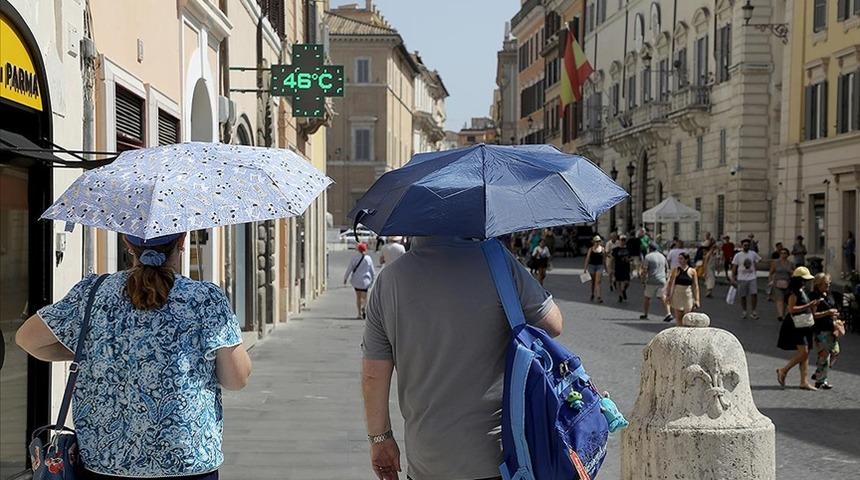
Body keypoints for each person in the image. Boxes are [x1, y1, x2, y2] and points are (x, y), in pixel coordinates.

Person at [15, 233, 251, 479]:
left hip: (105, 462)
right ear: (181, 242)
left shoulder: (93, 293)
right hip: (187, 461)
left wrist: (91, 352)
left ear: (127, 245)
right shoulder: (205, 299)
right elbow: (237, 378)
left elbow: (27, 339)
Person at [361, 236, 563, 480]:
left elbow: (373, 375)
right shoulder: (497, 262)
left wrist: (380, 439)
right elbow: (553, 324)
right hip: (496, 455)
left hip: (427, 458)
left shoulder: (389, 280)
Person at [776, 267, 819, 391]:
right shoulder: (793, 293)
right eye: (804, 280)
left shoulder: (802, 290)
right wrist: (809, 305)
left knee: (806, 353)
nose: (806, 282)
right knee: (803, 352)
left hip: (805, 323)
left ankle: (803, 381)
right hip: (795, 324)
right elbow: (791, 309)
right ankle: (783, 370)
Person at [808, 273, 842, 390]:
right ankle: (821, 380)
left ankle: (819, 373)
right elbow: (814, 315)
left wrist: (835, 314)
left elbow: (833, 307)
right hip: (821, 330)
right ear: (818, 285)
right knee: (824, 356)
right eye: (826, 284)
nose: (828, 286)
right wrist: (827, 313)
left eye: (829, 284)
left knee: (835, 351)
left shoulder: (828, 294)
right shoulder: (814, 296)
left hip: (831, 327)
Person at [640, 243, 674, 322]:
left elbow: (645, 270)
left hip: (651, 280)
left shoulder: (648, 257)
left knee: (647, 298)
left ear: (650, 248)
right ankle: (668, 313)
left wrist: (643, 280)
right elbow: (667, 268)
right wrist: (666, 278)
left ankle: (645, 314)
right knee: (663, 297)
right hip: (662, 280)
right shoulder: (662, 256)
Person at [665, 252, 700, 326]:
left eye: (681, 258)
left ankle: (687, 332)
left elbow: (695, 286)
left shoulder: (692, 271)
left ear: (686, 260)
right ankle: (680, 332)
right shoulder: (676, 270)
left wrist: (697, 299)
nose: (679, 260)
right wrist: (668, 295)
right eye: (679, 259)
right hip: (677, 294)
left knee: (688, 317)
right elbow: (671, 283)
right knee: (679, 317)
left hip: (688, 295)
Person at [732, 238, 762, 319]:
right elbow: (734, 266)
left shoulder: (753, 254)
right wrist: (733, 277)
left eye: (748, 245)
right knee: (743, 295)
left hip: (752, 277)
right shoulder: (738, 255)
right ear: (742, 246)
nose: (746, 246)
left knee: (754, 294)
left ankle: (753, 311)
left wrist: (756, 269)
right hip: (741, 278)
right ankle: (744, 310)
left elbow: (758, 261)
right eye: (745, 245)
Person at [345, 242, 376, 319]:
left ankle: (359, 313)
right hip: (365, 281)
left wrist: (345, 278)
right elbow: (372, 271)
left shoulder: (354, 258)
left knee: (358, 297)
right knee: (365, 297)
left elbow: (349, 269)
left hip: (356, 281)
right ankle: (364, 307)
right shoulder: (368, 258)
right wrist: (373, 280)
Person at [769, 248, 794, 320]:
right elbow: (771, 272)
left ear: (788, 255)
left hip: (787, 283)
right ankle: (780, 315)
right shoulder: (775, 262)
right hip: (777, 283)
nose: (783, 255)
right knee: (780, 299)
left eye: (785, 253)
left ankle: (783, 313)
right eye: (782, 253)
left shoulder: (790, 263)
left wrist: (791, 271)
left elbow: (794, 273)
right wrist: (770, 281)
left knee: (785, 300)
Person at [584, 235, 607, 302]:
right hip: (592, 266)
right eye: (596, 241)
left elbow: (604, 259)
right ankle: (592, 293)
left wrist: (606, 268)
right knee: (593, 282)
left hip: (600, 266)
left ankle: (599, 296)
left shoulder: (602, 249)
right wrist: (585, 269)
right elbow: (587, 259)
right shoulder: (591, 249)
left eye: (599, 241)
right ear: (594, 242)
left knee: (598, 281)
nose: (597, 242)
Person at [613, 235, 633, 303]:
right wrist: (611, 269)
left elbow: (631, 258)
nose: (623, 241)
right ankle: (620, 296)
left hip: (626, 268)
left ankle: (623, 290)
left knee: (627, 282)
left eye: (624, 240)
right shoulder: (615, 249)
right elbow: (612, 259)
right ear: (619, 240)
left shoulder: (629, 249)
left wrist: (629, 260)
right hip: (618, 267)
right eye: (622, 240)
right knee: (618, 282)